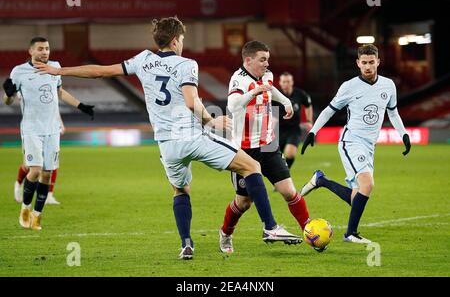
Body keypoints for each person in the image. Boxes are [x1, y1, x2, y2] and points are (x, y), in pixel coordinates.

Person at [34, 17, 300, 260]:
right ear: (175, 40)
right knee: (252, 166)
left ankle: (186, 243)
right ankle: (270, 227)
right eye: (182, 39)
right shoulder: (186, 64)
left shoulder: (142, 60)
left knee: (180, 190)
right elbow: (189, 100)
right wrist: (211, 120)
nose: (183, 43)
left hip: (166, 145)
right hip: (193, 136)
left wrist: (61, 71)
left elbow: (100, 71)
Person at [300, 44, 411, 244]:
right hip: (351, 141)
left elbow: (393, 112)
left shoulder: (388, 85)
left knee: (356, 197)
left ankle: (321, 181)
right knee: (367, 185)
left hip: (370, 145)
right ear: (358, 63)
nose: (368, 66)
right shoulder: (349, 87)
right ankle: (350, 233)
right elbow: (329, 110)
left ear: (378, 61)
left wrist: (403, 134)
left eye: (371, 62)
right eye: (364, 63)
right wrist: (313, 131)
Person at [218, 41, 309, 254]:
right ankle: (225, 233)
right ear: (248, 60)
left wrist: (285, 101)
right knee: (244, 202)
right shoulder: (238, 79)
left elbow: (271, 89)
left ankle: (309, 230)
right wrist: (254, 92)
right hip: (243, 150)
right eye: (262, 59)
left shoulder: (266, 76)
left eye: (267, 59)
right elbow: (232, 105)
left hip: (268, 145)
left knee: (289, 190)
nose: (267, 64)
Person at [2, 37, 94, 231]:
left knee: (47, 174)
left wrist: (81, 106)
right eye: (41, 49)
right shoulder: (19, 72)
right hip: (31, 128)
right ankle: (25, 208)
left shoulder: (55, 67)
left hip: (52, 129)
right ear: (31, 51)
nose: (45, 52)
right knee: (34, 170)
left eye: (47, 48)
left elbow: (59, 92)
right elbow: (8, 101)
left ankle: (37, 215)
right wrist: (8, 94)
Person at [13, 89, 94, 205]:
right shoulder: (25, 80)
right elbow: (12, 98)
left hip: (50, 128)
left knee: (51, 163)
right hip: (31, 129)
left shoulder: (50, 78)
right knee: (30, 166)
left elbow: (53, 106)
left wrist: (60, 123)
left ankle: (49, 195)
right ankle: (18, 185)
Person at [273, 72, 313, 170]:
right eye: (284, 82)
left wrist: (309, 121)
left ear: (292, 82)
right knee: (273, 158)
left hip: (293, 129)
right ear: (280, 83)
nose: (286, 84)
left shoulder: (300, 94)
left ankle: (285, 173)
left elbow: (308, 105)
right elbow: (269, 110)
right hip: (278, 130)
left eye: (288, 81)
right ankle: (279, 176)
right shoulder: (275, 95)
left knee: (290, 154)